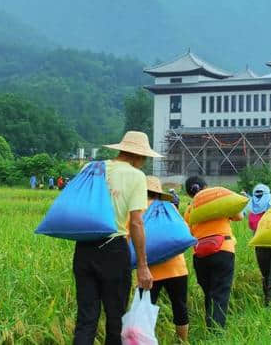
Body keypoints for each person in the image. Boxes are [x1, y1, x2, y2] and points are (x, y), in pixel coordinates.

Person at [72, 131, 158, 345]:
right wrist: (142, 265)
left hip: (84, 248)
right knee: (115, 318)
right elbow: (136, 222)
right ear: (138, 156)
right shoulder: (135, 176)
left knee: (86, 318)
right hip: (114, 249)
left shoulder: (91, 168)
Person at [184, 176, 243, 330]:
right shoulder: (219, 200)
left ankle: (210, 325)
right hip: (223, 249)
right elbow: (239, 216)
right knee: (220, 293)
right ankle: (216, 332)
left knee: (209, 292)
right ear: (206, 186)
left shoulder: (191, 208)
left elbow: (188, 232)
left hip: (200, 254)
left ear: (189, 194)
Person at [145, 176, 189, 342]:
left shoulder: (137, 210)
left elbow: (129, 238)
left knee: (145, 309)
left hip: (149, 270)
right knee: (180, 307)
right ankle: (182, 341)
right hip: (177, 268)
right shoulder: (170, 208)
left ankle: (146, 339)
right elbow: (184, 230)